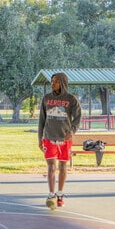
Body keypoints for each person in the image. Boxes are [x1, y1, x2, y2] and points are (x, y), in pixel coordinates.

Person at [38, 72, 81, 210]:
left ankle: (60, 193)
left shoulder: (71, 99)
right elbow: (41, 121)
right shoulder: (46, 98)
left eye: (55, 81)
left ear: (62, 82)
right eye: (52, 81)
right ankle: (51, 194)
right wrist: (40, 138)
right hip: (49, 138)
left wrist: (72, 131)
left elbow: (78, 117)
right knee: (51, 166)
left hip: (64, 139)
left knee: (63, 166)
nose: (53, 84)